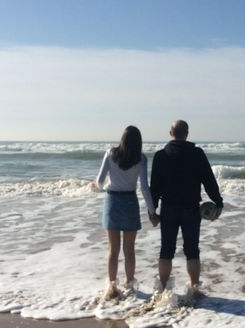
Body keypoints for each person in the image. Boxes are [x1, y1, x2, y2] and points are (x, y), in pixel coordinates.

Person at [150, 120, 223, 295]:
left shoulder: (161, 155)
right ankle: (194, 289)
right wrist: (218, 202)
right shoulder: (197, 153)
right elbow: (209, 180)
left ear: (171, 133)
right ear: (187, 133)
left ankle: (163, 290)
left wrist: (152, 211)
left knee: (166, 249)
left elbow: (155, 187)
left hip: (168, 208)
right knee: (192, 249)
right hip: (191, 208)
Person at [94, 125, 158, 299]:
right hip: (130, 202)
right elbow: (144, 188)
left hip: (112, 201)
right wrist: (152, 212)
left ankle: (112, 286)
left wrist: (94, 185)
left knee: (113, 250)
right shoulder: (141, 159)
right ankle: (129, 285)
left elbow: (99, 182)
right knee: (129, 250)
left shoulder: (110, 154)